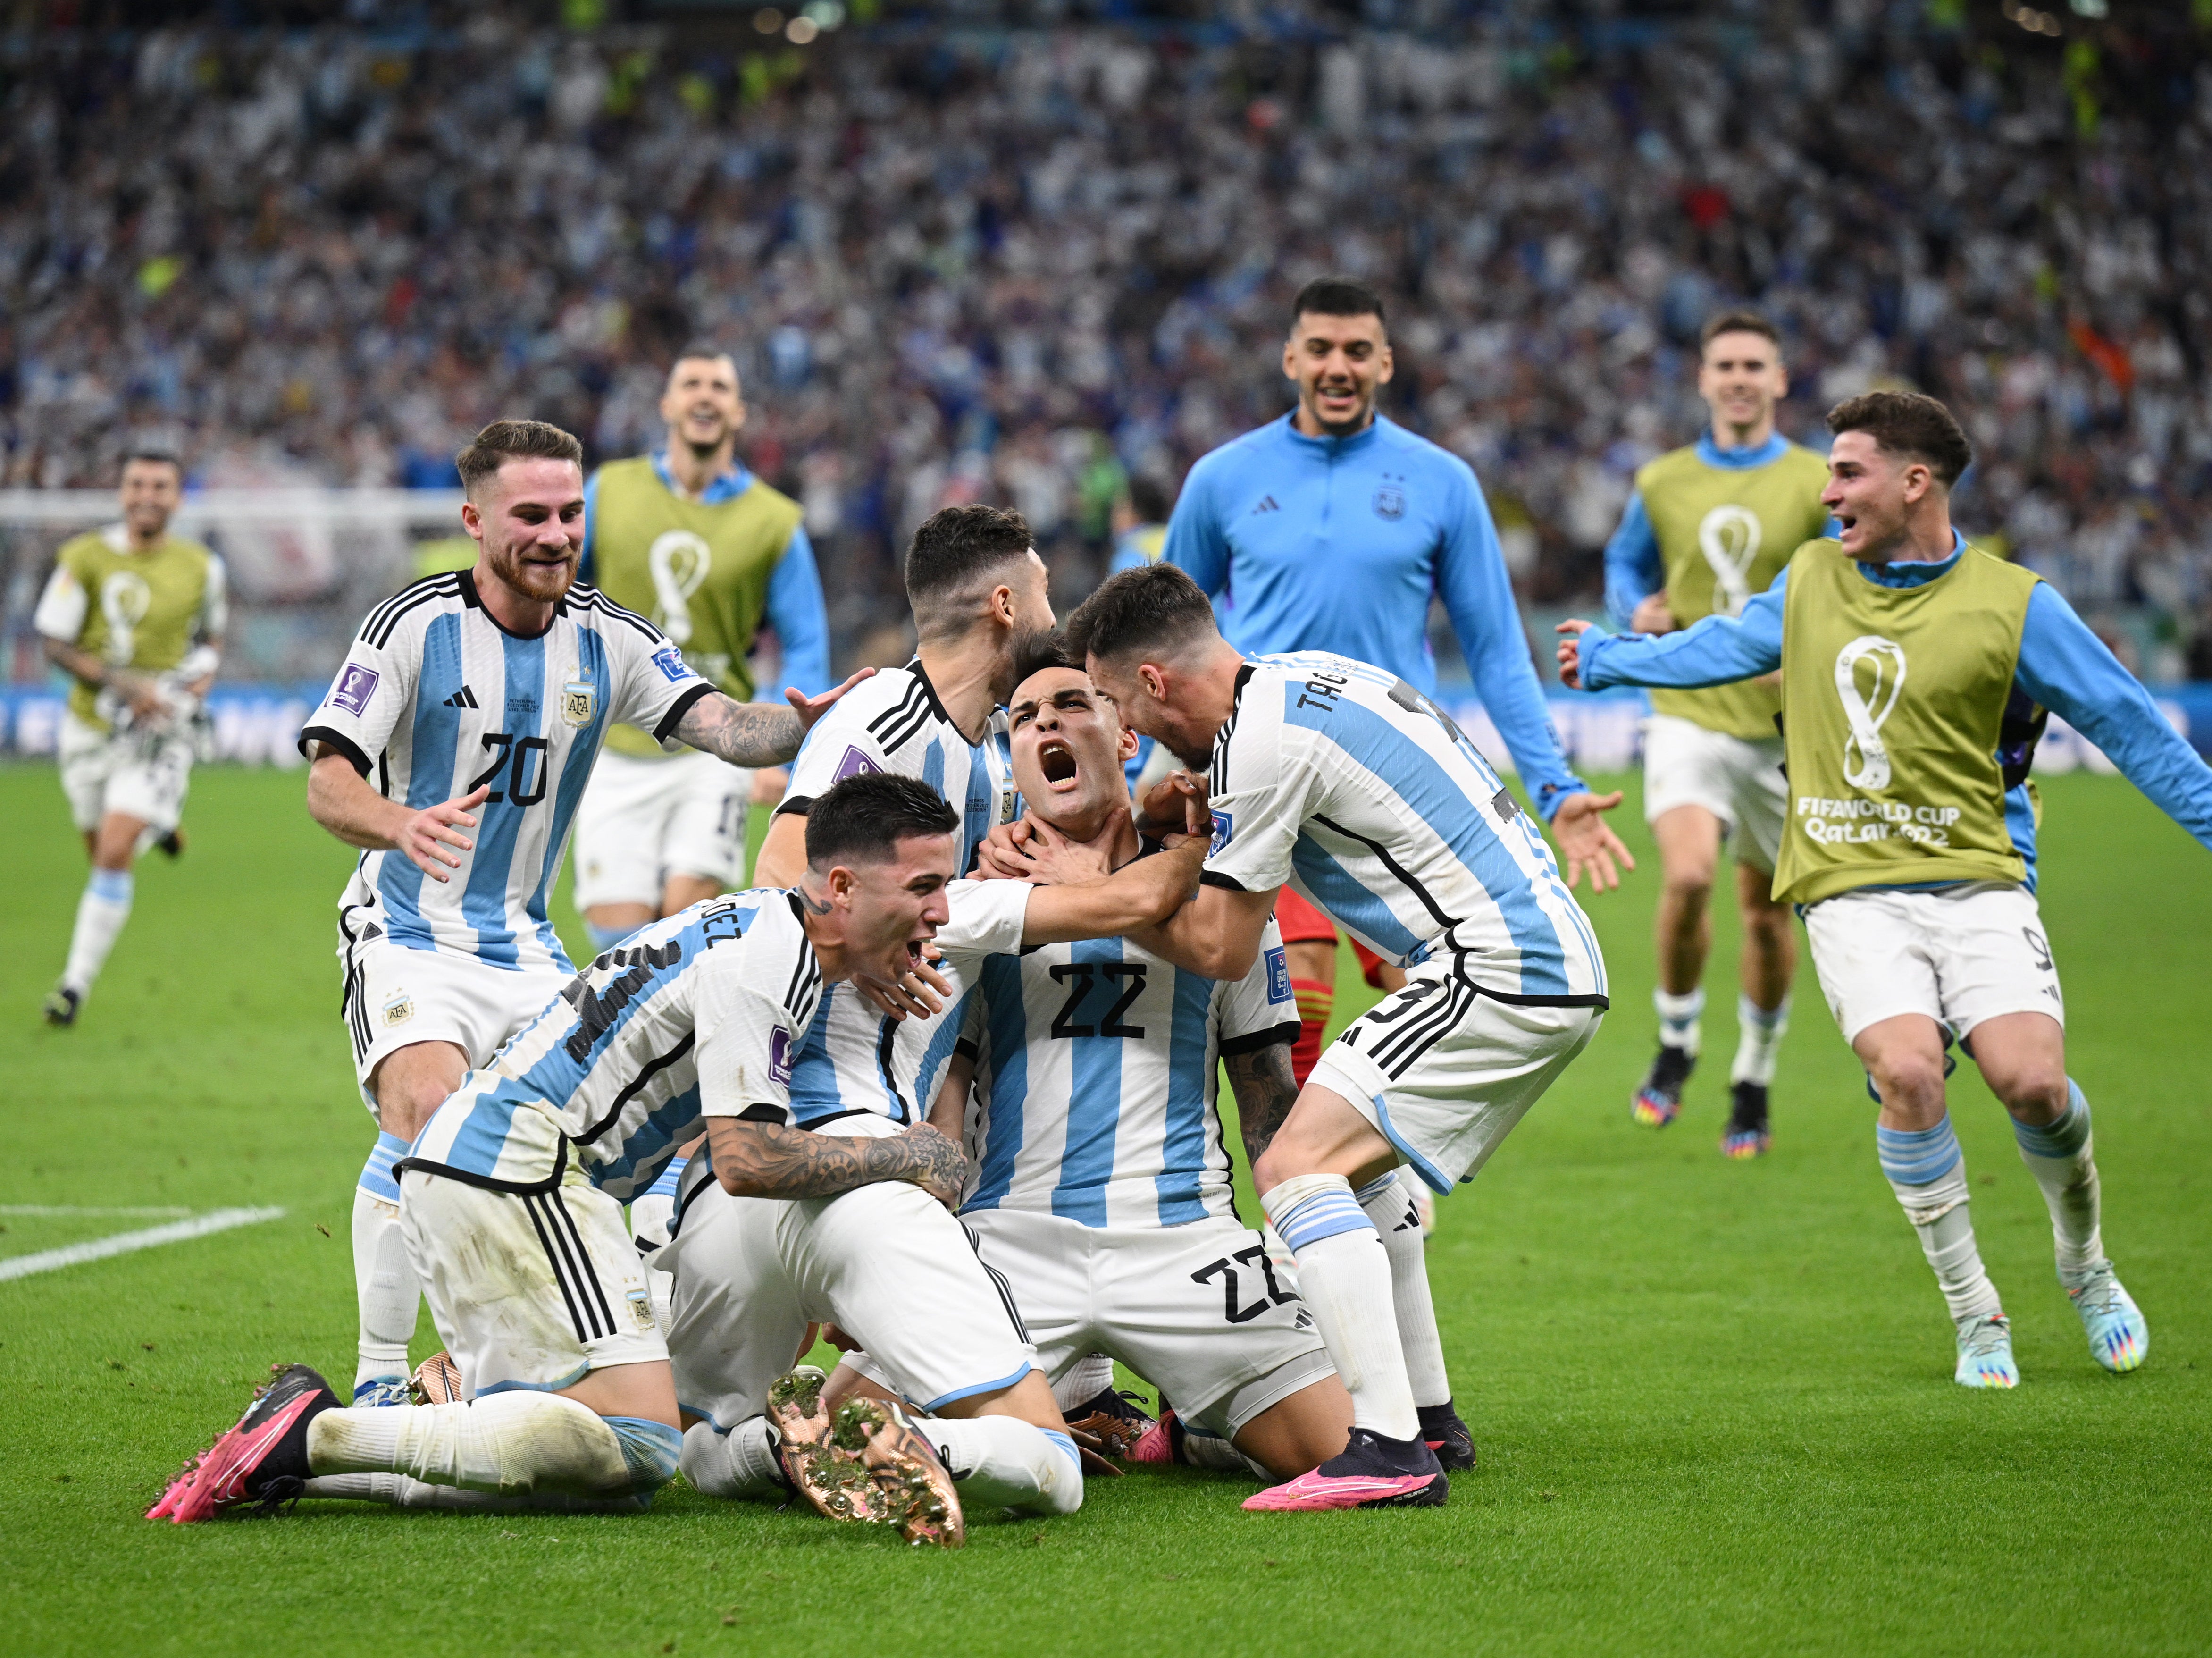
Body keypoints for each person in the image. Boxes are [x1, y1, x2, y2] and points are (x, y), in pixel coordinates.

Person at [145, 773, 1012, 1539]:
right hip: (522, 1168)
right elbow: (745, 1158)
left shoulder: (772, 931)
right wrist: (905, 1153)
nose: (943, 910)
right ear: (841, 884)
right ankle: (315, 1431)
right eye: (926, 885)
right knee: (639, 1439)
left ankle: (304, 1455)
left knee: (599, 1469)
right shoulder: (768, 957)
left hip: (495, 1166)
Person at [1558, 390, 2212, 1387]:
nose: (1826, 495)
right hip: (1851, 885)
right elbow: (1727, 645)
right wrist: (1611, 657)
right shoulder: (1813, 577)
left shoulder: (2016, 602)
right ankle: (1973, 1310)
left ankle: (2085, 1263)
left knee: (2031, 1083)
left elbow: (2128, 724)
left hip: (1982, 877)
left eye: (1847, 473)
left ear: (1916, 483)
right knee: (1906, 1074)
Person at [297, 418, 860, 1413]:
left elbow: (723, 724)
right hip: (405, 926)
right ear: (475, 519)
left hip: (524, 942)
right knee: (428, 1109)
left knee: (592, 1141)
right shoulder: (410, 627)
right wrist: (399, 821)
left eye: (569, 513)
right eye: (531, 515)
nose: (556, 533)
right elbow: (328, 778)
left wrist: (807, 723)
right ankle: (380, 1373)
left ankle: (573, 1350)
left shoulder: (608, 636)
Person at [1046, 563, 1614, 1511]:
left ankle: (1387, 1448)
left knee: (1295, 1168)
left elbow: (1222, 949)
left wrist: (1077, 891)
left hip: (1496, 969)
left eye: (1112, 701)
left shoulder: (1259, 744)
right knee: (1361, 1163)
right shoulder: (1303, 681)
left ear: (1150, 681)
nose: (1125, 731)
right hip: (1538, 957)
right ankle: (1430, 1415)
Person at [830, 640, 1382, 1484]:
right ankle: (1068, 1416)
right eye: (1023, 717)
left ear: (1126, 736)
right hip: (1012, 1242)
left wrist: (1286, 1248)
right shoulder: (975, 904)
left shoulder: (1222, 916)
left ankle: (1198, 1423)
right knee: (842, 1436)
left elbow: (1268, 1100)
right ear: (1012, 761)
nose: (1045, 720)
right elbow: (947, 1091)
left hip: (1184, 1242)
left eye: (1072, 704)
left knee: (1343, 1452)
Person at [665, 775, 1213, 1531]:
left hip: (712, 1210)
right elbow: (1139, 901)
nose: (940, 903)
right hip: (868, 1187)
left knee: (688, 1440)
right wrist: (1196, 839)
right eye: (929, 880)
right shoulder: (959, 916)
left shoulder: (748, 926)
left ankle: (766, 1449)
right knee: (1050, 1465)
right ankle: (921, 1441)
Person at [1162, 274, 1628, 1086]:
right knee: (1294, 995)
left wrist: (1553, 787)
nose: (1335, 367)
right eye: (1319, 350)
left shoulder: (1441, 481)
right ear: (1288, 358)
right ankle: (1304, 1195)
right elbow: (1158, 629)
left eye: (1354, 351)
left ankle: (1384, 1196)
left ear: (1384, 361)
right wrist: (1143, 770)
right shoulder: (1222, 478)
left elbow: (1495, 649)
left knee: (1440, 994)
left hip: (1395, 770)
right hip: (1269, 762)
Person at [1601, 311, 1833, 1156]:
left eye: (1753, 365)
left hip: (1779, 729)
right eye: (1724, 365)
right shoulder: (1662, 480)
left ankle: (1753, 1079)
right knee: (1690, 874)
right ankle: (1674, 1042)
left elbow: (1846, 578)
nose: (1737, 378)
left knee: (1766, 917)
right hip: (1686, 709)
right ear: (1702, 379)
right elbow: (1625, 562)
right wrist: (1634, 610)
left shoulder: (1816, 479)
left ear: (1777, 379)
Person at [570, 343, 833, 955]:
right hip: (615, 739)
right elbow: (557, 589)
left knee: (684, 930)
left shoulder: (775, 520)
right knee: (618, 940)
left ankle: (678, 1049)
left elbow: (806, 645)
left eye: (719, 386)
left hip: (715, 746)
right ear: (668, 405)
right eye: (692, 384)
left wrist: (777, 747)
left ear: (739, 411)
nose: (705, 395)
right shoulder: (610, 490)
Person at [34, 451, 225, 1027]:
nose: (148, 494)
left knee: (114, 851)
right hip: (90, 729)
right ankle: (160, 824)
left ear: (178, 497)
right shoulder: (83, 558)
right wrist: (123, 685)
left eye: (160, 485)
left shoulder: (202, 567)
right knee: (102, 854)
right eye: (137, 483)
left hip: (159, 735)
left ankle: (72, 987)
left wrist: (185, 696)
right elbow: (54, 642)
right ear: (121, 492)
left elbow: (211, 642)